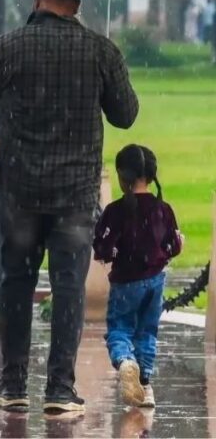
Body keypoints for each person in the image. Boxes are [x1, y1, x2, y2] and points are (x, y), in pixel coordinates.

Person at [0, 0, 139, 415]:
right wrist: (113, 64)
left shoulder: (10, 46)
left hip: (20, 190)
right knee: (68, 286)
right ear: (75, 4)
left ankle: (12, 382)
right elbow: (126, 115)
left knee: (16, 282)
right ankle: (60, 388)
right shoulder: (100, 50)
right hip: (75, 196)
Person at [93, 144, 181, 409]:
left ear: (122, 176)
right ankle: (144, 383)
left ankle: (124, 361)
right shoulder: (163, 209)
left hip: (124, 283)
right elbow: (173, 245)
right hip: (155, 281)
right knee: (147, 332)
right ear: (152, 176)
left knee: (120, 328)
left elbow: (103, 248)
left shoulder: (116, 211)